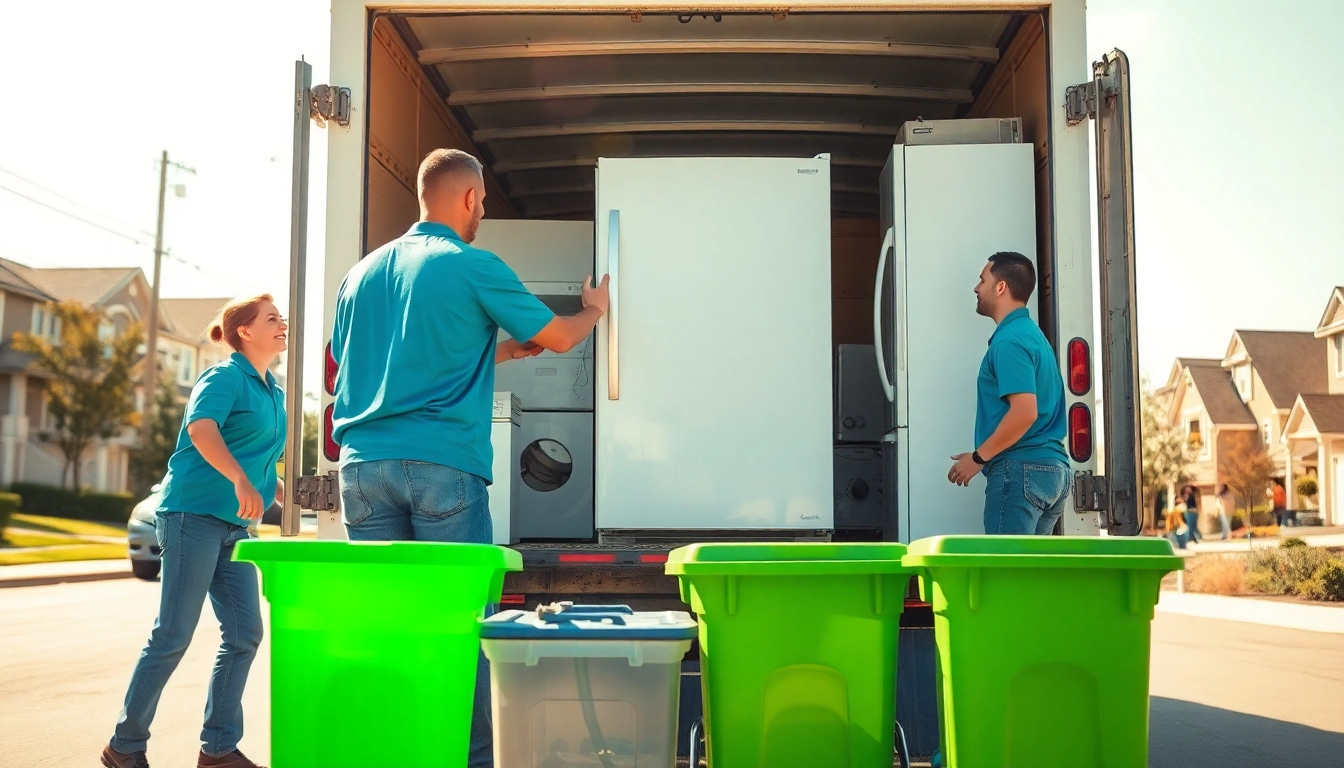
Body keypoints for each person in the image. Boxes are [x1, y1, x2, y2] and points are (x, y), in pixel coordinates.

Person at [330, 148, 610, 767]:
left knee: (392, 629)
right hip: (441, 470)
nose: (482, 209)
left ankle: (397, 752)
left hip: (362, 469)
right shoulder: (472, 265)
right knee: (464, 631)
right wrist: (594, 308)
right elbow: (561, 336)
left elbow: (364, 362)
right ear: (467, 198)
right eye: (481, 199)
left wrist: (498, 355)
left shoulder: (361, 274)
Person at [103, 296, 288, 768]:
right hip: (191, 516)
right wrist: (240, 480)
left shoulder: (274, 391)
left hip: (235, 526)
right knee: (173, 634)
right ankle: (124, 747)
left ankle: (218, 748)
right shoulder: (224, 377)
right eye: (272, 318)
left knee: (245, 634)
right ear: (245, 332)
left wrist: (278, 488)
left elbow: (254, 452)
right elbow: (202, 428)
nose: (283, 323)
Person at [948, 251, 1070, 535]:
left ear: (1000, 287)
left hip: (1021, 470)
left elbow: (1024, 413)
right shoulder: (1033, 336)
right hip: (1053, 471)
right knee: (1028, 577)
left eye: (982, 279)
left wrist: (979, 458)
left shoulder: (1009, 342)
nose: (977, 288)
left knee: (1005, 576)